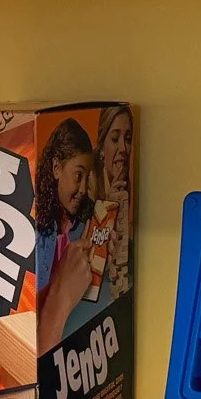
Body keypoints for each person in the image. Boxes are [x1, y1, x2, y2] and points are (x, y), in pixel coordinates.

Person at [33, 118, 100, 344]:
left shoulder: (84, 225)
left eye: (87, 178)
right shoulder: (34, 229)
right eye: (78, 175)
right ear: (56, 168)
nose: (82, 189)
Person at [97, 105, 135, 300]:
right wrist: (109, 208)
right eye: (114, 139)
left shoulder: (127, 190)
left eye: (128, 139)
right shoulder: (86, 194)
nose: (123, 149)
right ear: (102, 147)